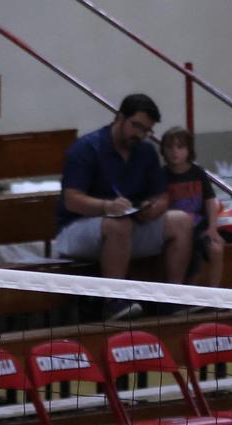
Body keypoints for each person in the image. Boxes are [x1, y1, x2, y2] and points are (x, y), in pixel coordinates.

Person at [53, 92, 192, 316]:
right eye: (136, 126)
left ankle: (174, 296)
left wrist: (154, 207)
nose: (140, 134)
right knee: (118, 224)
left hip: (127, 224)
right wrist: (106, 207)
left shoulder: (145, 152)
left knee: (182, 221)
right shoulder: (87, 148)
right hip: (77, 229)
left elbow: (163, 195)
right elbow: (72, 200)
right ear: (119, 117)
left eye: (146, 130)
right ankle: (113, 301)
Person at [160, 126, 225, 288]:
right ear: (163, 150)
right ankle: (186, 292)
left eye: (180, 147)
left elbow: (210, 201)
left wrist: (212, 227)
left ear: (189, 150)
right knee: (186, 253)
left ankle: (214, 294)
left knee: (216, 249)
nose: (175, 152)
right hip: (176, 230)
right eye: (170, 147)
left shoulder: (198, 173)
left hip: (200, 226)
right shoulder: (161, 175)